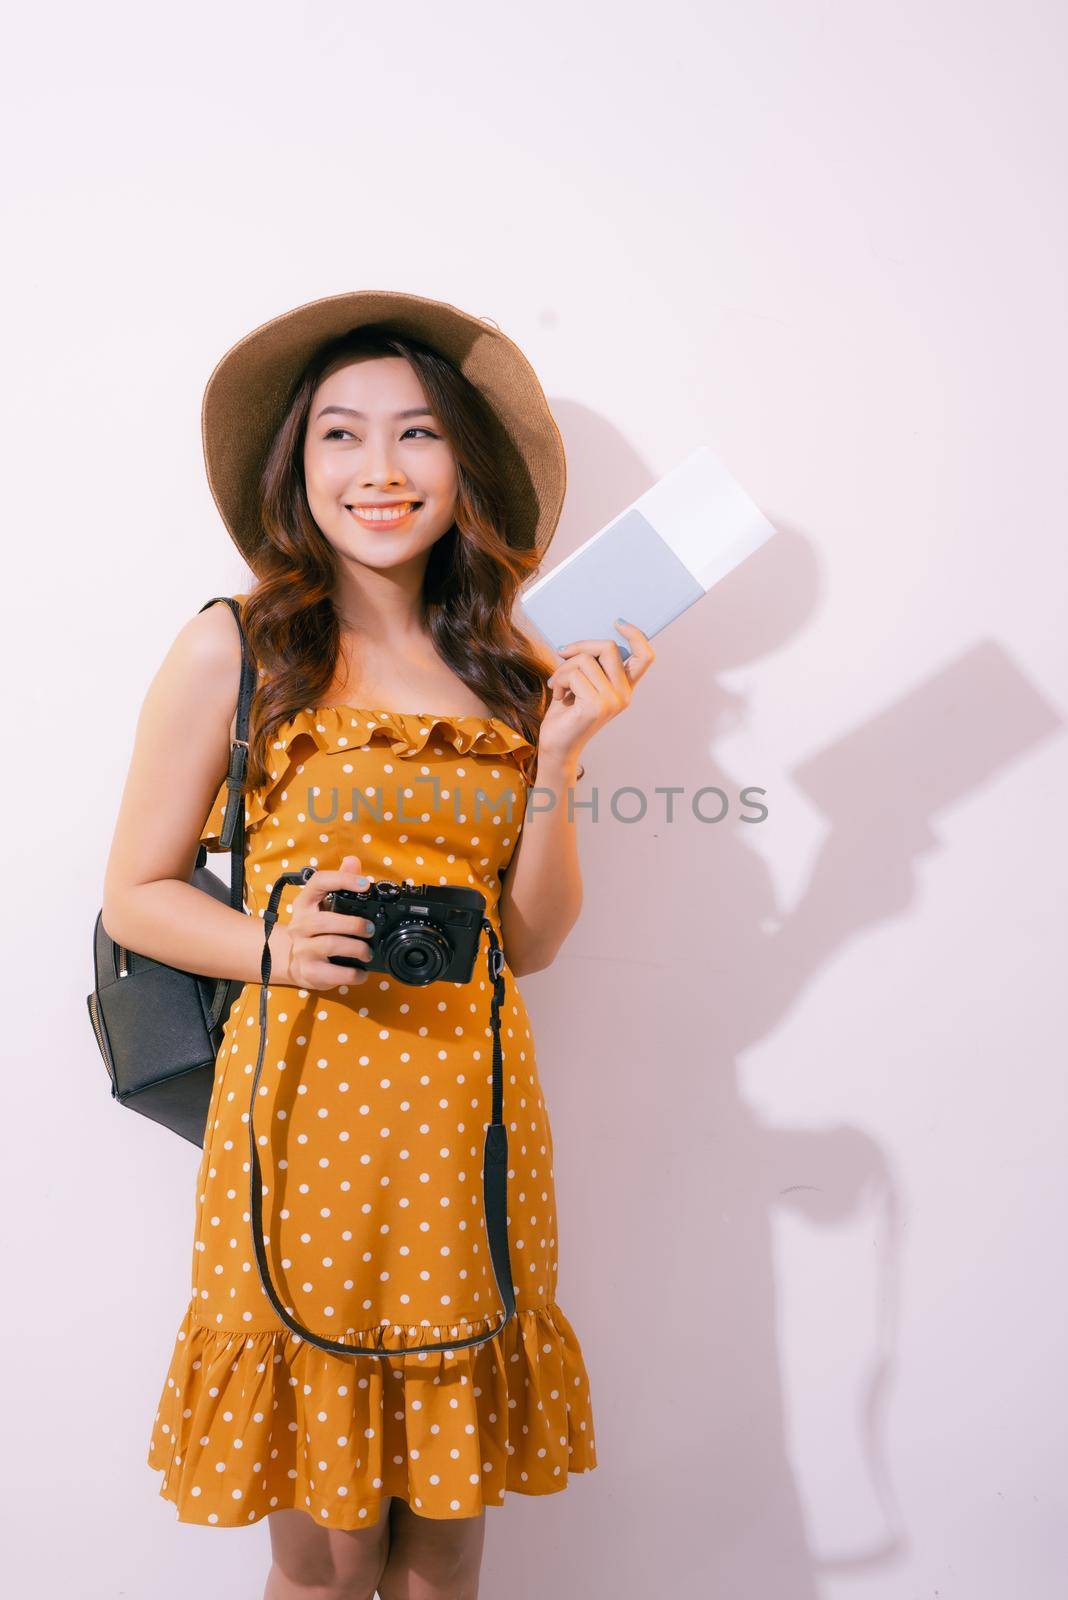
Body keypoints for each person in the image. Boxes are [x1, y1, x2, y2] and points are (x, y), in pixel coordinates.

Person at [102, 291, 654, 1599]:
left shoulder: (508, 662)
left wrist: (562, 758)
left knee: (441, 1553)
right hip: (302, 1125)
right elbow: (136, 891)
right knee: (329, 1559)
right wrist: (277, 950)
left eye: (417, 436)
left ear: (462, 462)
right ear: (299, 466)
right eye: (343, 437)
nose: (382, 471)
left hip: (471, 1127)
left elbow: (529, 936)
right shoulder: (234, 647)